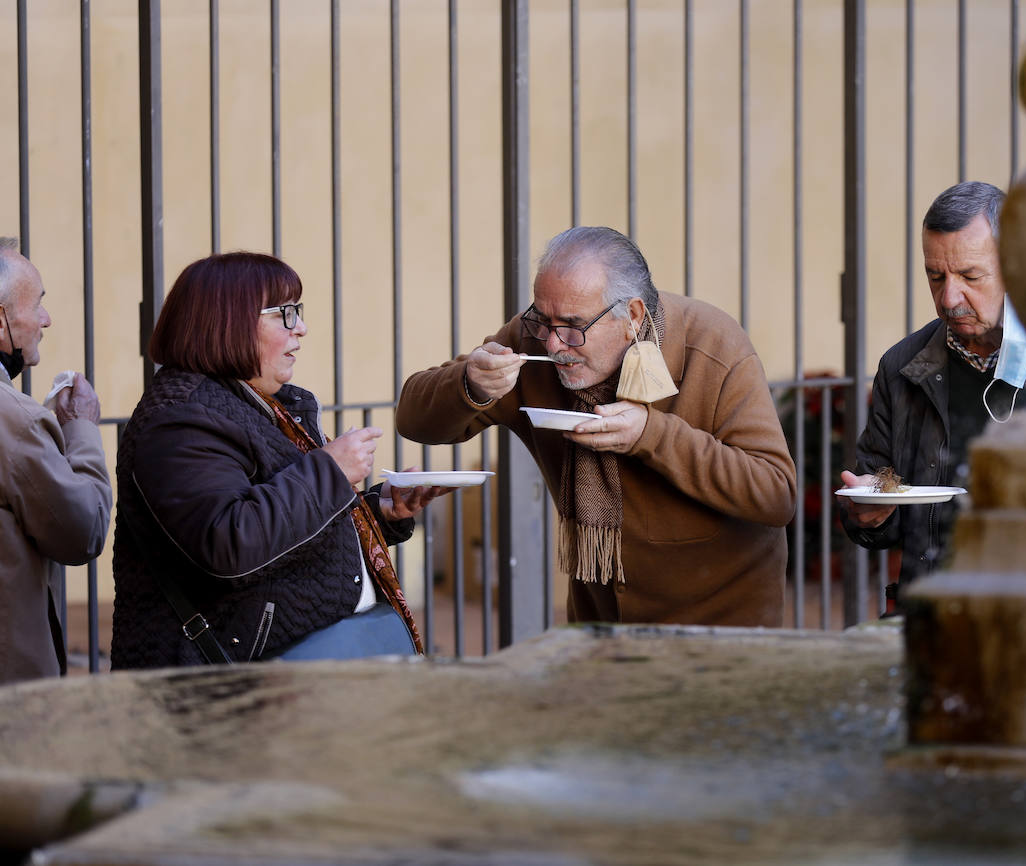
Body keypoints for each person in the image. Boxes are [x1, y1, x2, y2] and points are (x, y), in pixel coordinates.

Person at [396, 226, 796, 627]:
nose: (553, 344)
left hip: (722, 625)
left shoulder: (713, 344)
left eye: (574, 325)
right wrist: (471, 382)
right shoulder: (534, 335)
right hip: (599, 626)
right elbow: (413, 420)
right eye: (542, 318)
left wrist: (650, 435)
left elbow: (776, 494)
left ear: (632, 317)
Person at [111, 252, 449, 668]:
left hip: (292, 675)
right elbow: (229, 545)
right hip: (218, 693)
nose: (301, 328)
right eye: (285, 314)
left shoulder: (260, 406)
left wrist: (378, 510)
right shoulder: (181, 420)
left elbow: (286, 531)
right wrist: (330, 471)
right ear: (228, 320)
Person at [838, 181, 1026, 609]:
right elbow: (877, 500)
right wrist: (869, 512)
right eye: (935, 276)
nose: (949, 297)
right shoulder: (903, 366)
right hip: (932, 617)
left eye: (970, 276)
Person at [0, 238, 111, 685]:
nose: (46, 319)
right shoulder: (15, 419)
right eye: (37, 304)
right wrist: (80, 427)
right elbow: (81, 531)